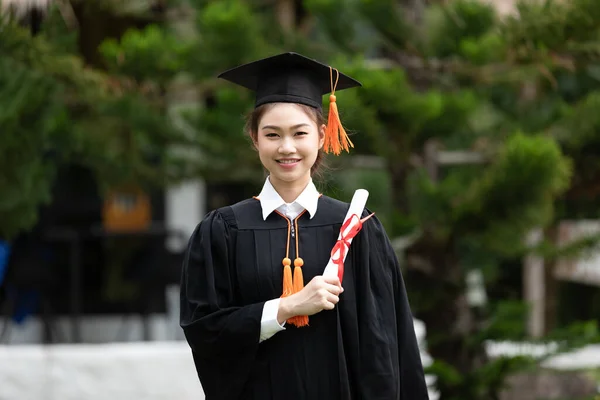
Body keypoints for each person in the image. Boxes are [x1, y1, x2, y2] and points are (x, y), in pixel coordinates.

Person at [180, 52, 429, 400]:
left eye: (299, 133)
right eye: (272, 134)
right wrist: (286, 308)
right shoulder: (223, 231)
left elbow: (388, 342)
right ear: (254, 138)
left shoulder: (358, 229)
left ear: (322, 135)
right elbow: (204, 331)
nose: (287, 148)